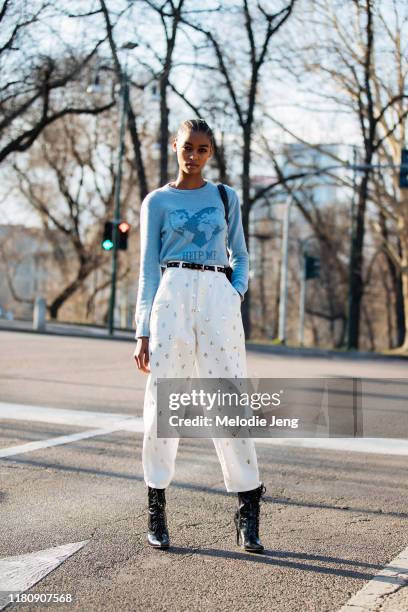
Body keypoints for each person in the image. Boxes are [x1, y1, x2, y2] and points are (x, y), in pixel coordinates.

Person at [133, 118, 266, 553]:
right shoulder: (157, 202)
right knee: (163, 402)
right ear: (175, 146)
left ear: (211, 153)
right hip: (171, 295)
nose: (194, 156)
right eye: (188, 147)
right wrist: (143, 330)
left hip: (217, 297)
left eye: (203, 149)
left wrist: (235, 292)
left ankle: (248, 510)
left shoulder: (225, 196)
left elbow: (241, 254)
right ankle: (156, 504)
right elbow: (148, 269)